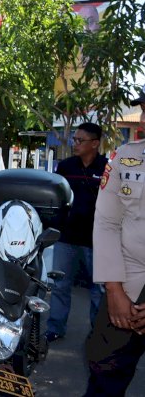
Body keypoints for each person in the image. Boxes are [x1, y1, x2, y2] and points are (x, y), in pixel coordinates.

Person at [84, 99, 145, 396]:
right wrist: (114, 290)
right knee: (104, 371)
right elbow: (107, 223)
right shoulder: (125, 157)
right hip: (127, 283)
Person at [45, 123, 107, 342]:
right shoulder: (66, 167)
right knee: (60, 285)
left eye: (80, 141)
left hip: (97, 240)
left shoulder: (108, 168)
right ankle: (55, 327)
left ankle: (98, 333)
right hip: (67, 237)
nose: (75, 144)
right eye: (74, 139)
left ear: (95, 144)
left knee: (98, 291)